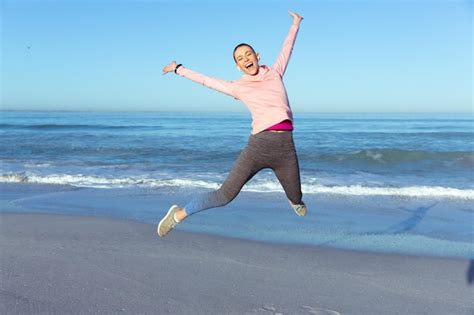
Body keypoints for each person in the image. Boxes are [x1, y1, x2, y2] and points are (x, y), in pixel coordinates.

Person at [158, 11, 307, 237]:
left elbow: (287, 48)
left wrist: (295, 24)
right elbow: (207, 81)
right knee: (224, 195)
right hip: (258, 147)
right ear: (238, 66)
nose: (246, 59)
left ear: (257, 55)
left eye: (249, 54)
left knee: (297, 200)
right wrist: (178, 68)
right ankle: (178, 214)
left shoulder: (275, 73)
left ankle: (293, 199)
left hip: (285, 149)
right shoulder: (238, 87)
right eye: (240, 58)